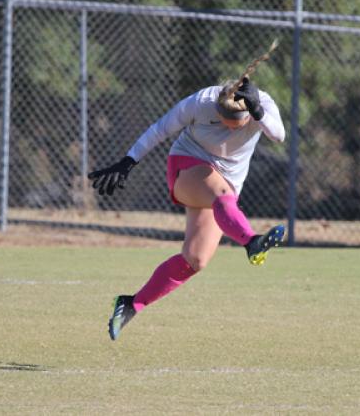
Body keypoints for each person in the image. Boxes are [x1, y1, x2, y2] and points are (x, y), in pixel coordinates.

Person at [89, 41, 286, 341]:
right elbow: (160, 128)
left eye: (237, 125)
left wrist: (257, 111)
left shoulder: (262, 108)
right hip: (187, 167)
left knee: (195, 259)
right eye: (224, 123)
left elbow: (280, 136)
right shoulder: (203, 101)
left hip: (225, 188)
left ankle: (131, 303)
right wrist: (128, 162)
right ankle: (251, 242)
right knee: (222, 196)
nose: (230, 130)